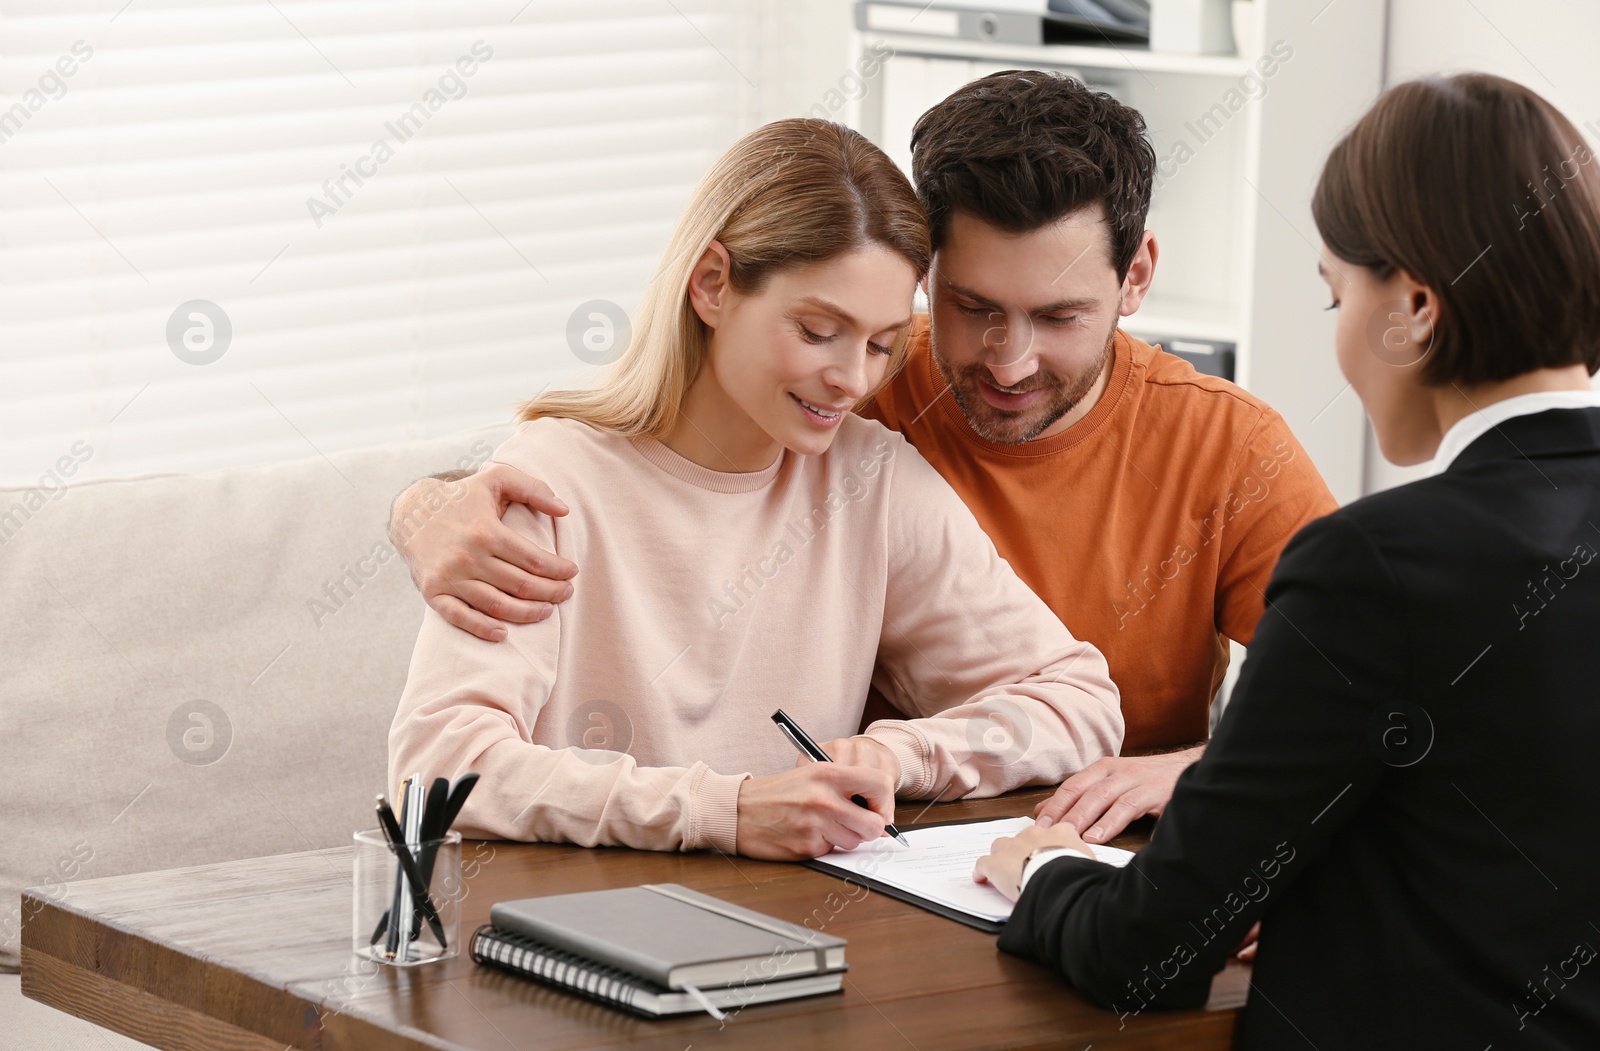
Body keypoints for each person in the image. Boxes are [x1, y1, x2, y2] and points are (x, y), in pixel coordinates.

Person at [386, 71, 1336, 846]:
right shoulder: (852, 400)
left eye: (1057, 316)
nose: (1007, 359)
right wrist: (421, 507)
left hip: (915, 889)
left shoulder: (866, 461)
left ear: (1135, 280)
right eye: (970, 309)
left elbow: (1373, 695)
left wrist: (896, 753)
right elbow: (439, 755)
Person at [974, 73, 1600, 1051]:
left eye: (1333, 292)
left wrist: (1046, 871)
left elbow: (1148, 947)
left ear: (1415, 306)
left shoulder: (1377, 565)